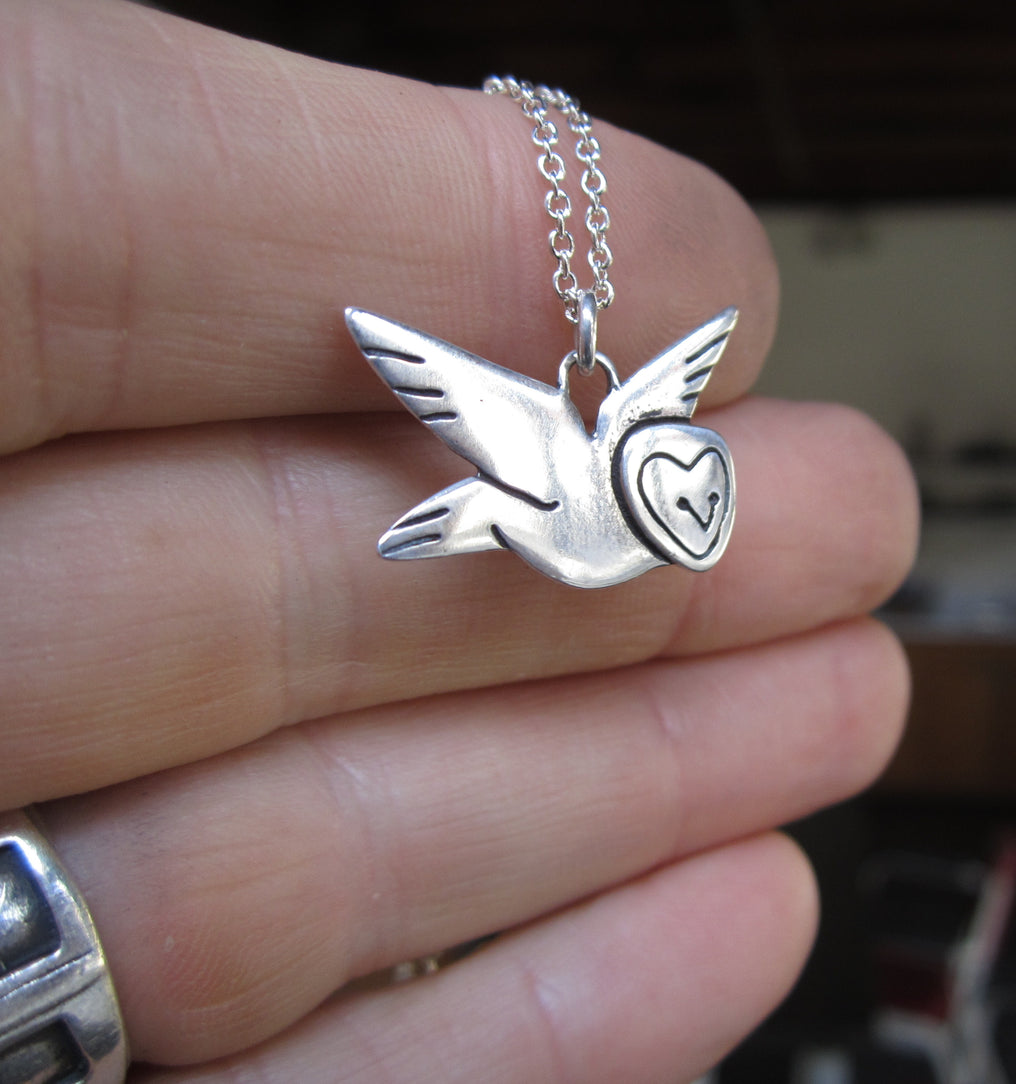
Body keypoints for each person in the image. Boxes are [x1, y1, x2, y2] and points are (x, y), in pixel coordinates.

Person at [0, 1, 917, 1080]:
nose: (691, 507)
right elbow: (515, 426)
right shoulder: (560, 467)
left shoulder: (618, 454)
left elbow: (661, 392)